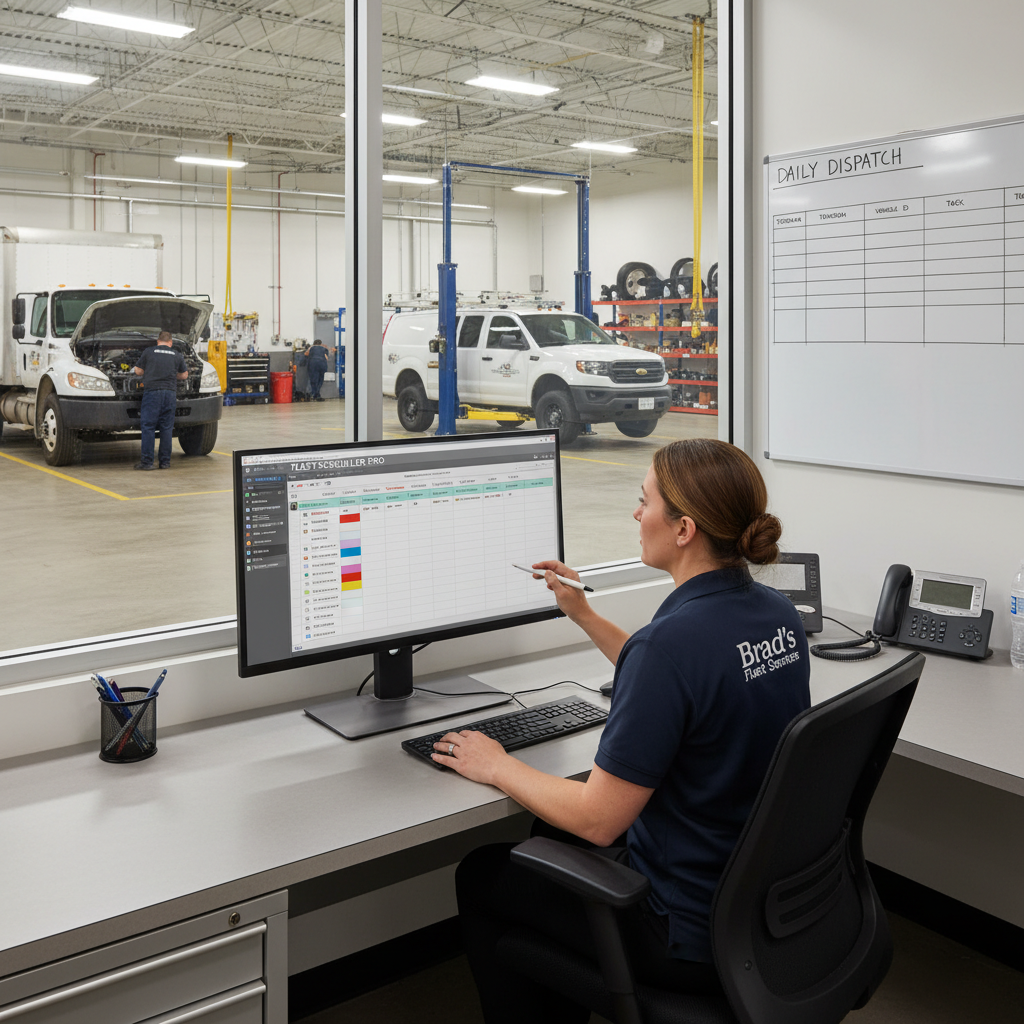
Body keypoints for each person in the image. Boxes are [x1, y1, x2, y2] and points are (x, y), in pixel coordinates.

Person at [437, 439, 811, 1023]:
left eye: (644, 502)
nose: (636, 515)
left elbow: (598, 817)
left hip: (683, 928)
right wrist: (583, 613)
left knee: (484, 873)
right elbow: (681, 677)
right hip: (755, 902)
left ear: (683, 529)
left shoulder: (670, 648)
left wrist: (496, 764)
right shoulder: (774, 613)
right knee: (543, 830)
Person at [133, 330, 187, 470]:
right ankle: (165, 463)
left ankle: (147, 463)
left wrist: (150, 371)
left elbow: (138, 371)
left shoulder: (149, 351)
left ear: (158, 341)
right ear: (171, 342)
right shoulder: (177, 354)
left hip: (153, 394)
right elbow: (184, 375)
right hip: (169, 394)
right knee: (166, 428)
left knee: (148, 427)